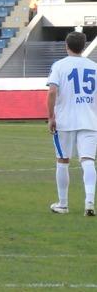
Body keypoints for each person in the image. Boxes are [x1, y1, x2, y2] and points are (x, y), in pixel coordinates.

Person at [47, 31, 97, 217]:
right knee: (88, 160)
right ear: (83, 46)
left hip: (65, 121)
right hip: (90, 120)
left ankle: (63, 204)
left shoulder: (59, 66)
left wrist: (51, 117)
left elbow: (52, 92)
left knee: (63, 161)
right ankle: (89, 201)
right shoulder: (94, 66)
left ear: (66, 46)